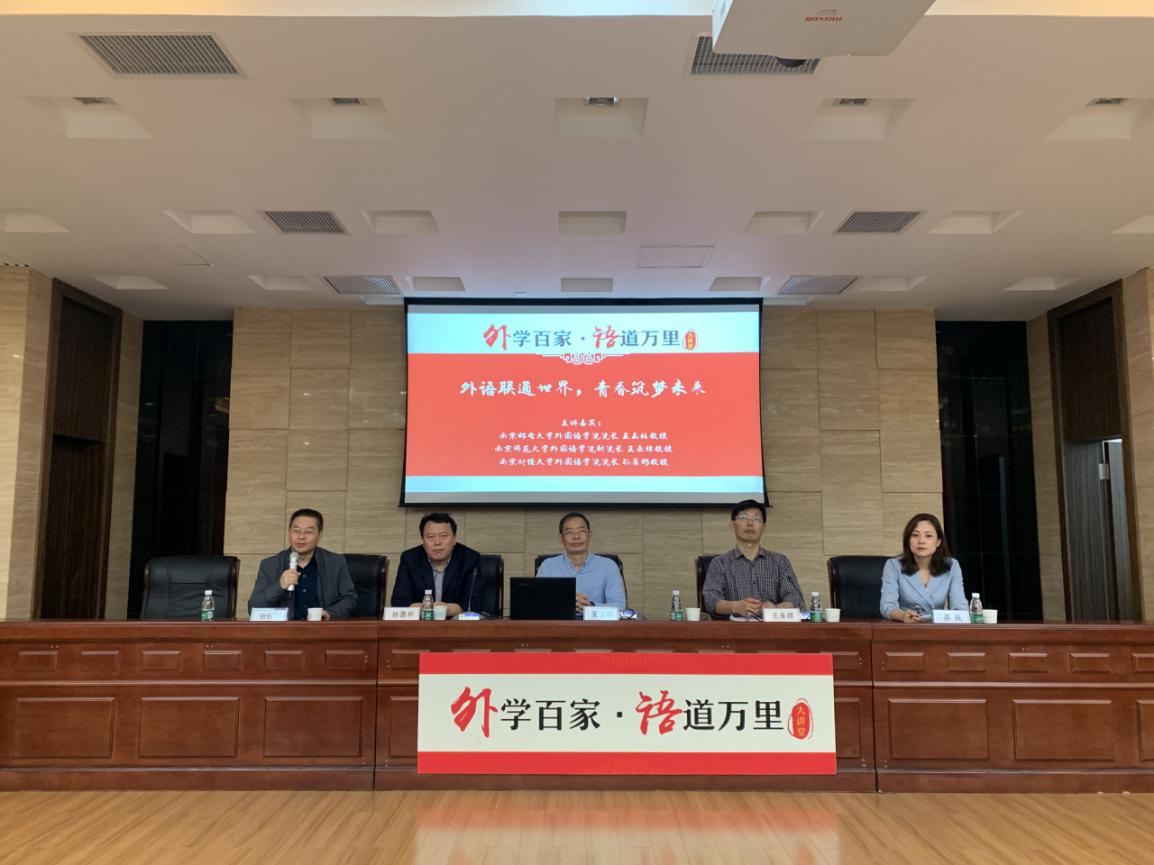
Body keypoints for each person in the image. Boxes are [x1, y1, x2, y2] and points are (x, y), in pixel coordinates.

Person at [702, 499, 805, 618]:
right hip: (733, 628)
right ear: (732, 526)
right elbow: (711, 600)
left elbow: (795, 598)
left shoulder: (779, 561)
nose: (750, 523)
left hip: (772, 627)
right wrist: (735, 607)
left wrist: (776, 609)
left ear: (764, 527)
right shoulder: (720, 563)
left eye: (756, 519)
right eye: (743, 517)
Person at [248, 508, 357, 620]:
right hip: (285, 629)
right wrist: (279, 586)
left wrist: (329, 613)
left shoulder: (335, 563)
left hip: (322, 627)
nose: (301, 537)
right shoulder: (270, 565)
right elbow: (253, 609)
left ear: (319, 535)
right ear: (289, 532)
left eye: (308, 532)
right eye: (296, 531)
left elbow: (350, 599)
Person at [391, 512, 484, 617]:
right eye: (431, 537)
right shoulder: (410, 559)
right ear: (423, 540)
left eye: (443, 536)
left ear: (454, 539)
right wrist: (427, 608)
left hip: (457, 623)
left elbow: (474, 604)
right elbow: (399, 602)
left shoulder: (470, 559)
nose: (437, 542)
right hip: (421, 623)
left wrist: (447, 610)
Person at [880, 513, 967, 622]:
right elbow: (887, 606)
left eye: (928, 536)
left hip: (937, 628)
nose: (921, 541)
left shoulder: (951, 565)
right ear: (908, 540)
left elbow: (959, 606)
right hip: (905, 626)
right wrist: (902, 616)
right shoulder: (893, 566)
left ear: (938, 541)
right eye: (915, 535)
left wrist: (957, 617)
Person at [537, 512, 627, 611]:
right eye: (569, 532)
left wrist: (590, 606)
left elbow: (619, 606)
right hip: (560, 621)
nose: (576, 536)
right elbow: (537, 604)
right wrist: (567, 601)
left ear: (589, 535)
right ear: (561, 538)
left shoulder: (608, 566)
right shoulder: (547, 567)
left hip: (595, 621)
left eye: (581, 531)